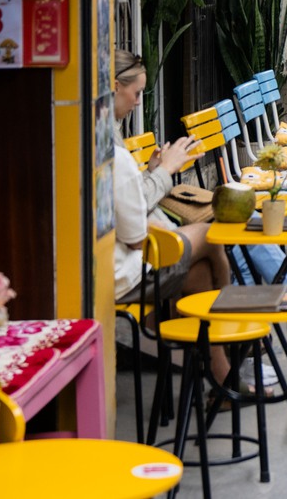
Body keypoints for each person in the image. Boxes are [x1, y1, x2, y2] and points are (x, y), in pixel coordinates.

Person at [111, 50, 233, 382]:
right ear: (114, 87)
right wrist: (164, 171)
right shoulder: (112, 155)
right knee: (210, 236)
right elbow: (136, 238)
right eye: (136, 93)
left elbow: (128, 200)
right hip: (125, 273)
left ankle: (222, 379)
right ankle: (233, 326)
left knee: (199, 274)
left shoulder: (101, 144)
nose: (138, 102)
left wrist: (153, 174)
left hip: (123, 267)